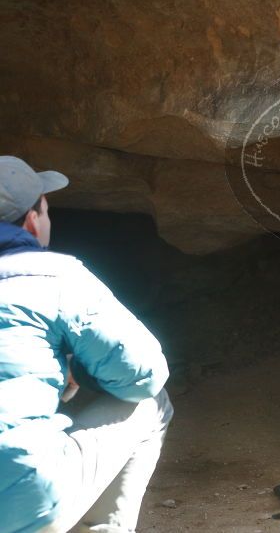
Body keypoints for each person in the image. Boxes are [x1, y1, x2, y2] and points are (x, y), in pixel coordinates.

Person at [0, 156, 173, 533]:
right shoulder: (53, 277)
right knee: (151, 402)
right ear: (32, 221)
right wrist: (77, 371)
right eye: (46, 210)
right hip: (18, 503)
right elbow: (143, 375)